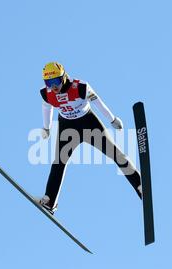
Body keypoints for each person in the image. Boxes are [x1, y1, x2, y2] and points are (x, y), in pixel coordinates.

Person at [38, 62, 142, 213]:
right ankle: (50, 201)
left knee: (116, 154)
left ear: (64, 77)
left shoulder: (81, 87)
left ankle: (140, 186)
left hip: (89, 123)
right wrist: (46, 127)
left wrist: (112, 119)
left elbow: (98, 103)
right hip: (67, 127)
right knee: (58, 162)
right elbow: (46, 107)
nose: (53, 86)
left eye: (56, 81)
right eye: (48, 82)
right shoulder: (46, 93)